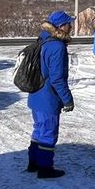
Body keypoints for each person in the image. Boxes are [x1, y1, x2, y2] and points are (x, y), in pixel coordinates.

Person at [27, 11, 75, 179]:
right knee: (48, 133)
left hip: (35, 95)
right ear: (61, 26)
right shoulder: (57, 46)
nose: (71, 26)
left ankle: (33, 162)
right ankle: (45, 169)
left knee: (39, 130)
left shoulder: (42, 40)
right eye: (69, 23)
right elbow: (57, 79)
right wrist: (67, 99)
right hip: (48, 98)